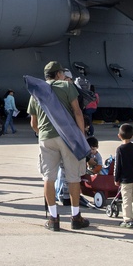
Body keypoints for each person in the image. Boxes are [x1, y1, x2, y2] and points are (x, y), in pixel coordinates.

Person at [28, 61, 90, 231]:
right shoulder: (67, 86)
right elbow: (77, 111)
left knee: (49, 177)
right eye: (62, 72)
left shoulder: (36, 91)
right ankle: (75, 217)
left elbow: (33, 123)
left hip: (46, 138)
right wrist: (81, 135)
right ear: (58, 74)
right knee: (73, 177)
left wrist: (42, 133)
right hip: (68, 137)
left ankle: (53, 219)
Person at [113, 123, 133, 228]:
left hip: (125, 180)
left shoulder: (120, 149)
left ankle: (127, 219)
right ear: (132, 136)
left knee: (126, 200)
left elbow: (118, 166)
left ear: (119, 136)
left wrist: (116, 178)